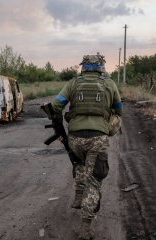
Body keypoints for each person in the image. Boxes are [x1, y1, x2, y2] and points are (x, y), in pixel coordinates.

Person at [51, 53, 123, 239]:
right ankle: (85, 227)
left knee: (80, 164)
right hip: (98, 138)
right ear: (101, 67)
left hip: (75, 138)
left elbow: (55, 105)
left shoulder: (73, 83)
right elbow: (119, 109)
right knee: (95, 180)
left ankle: (78, 195)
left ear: (83, 67)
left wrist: (61, 127)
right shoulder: (110, 83)